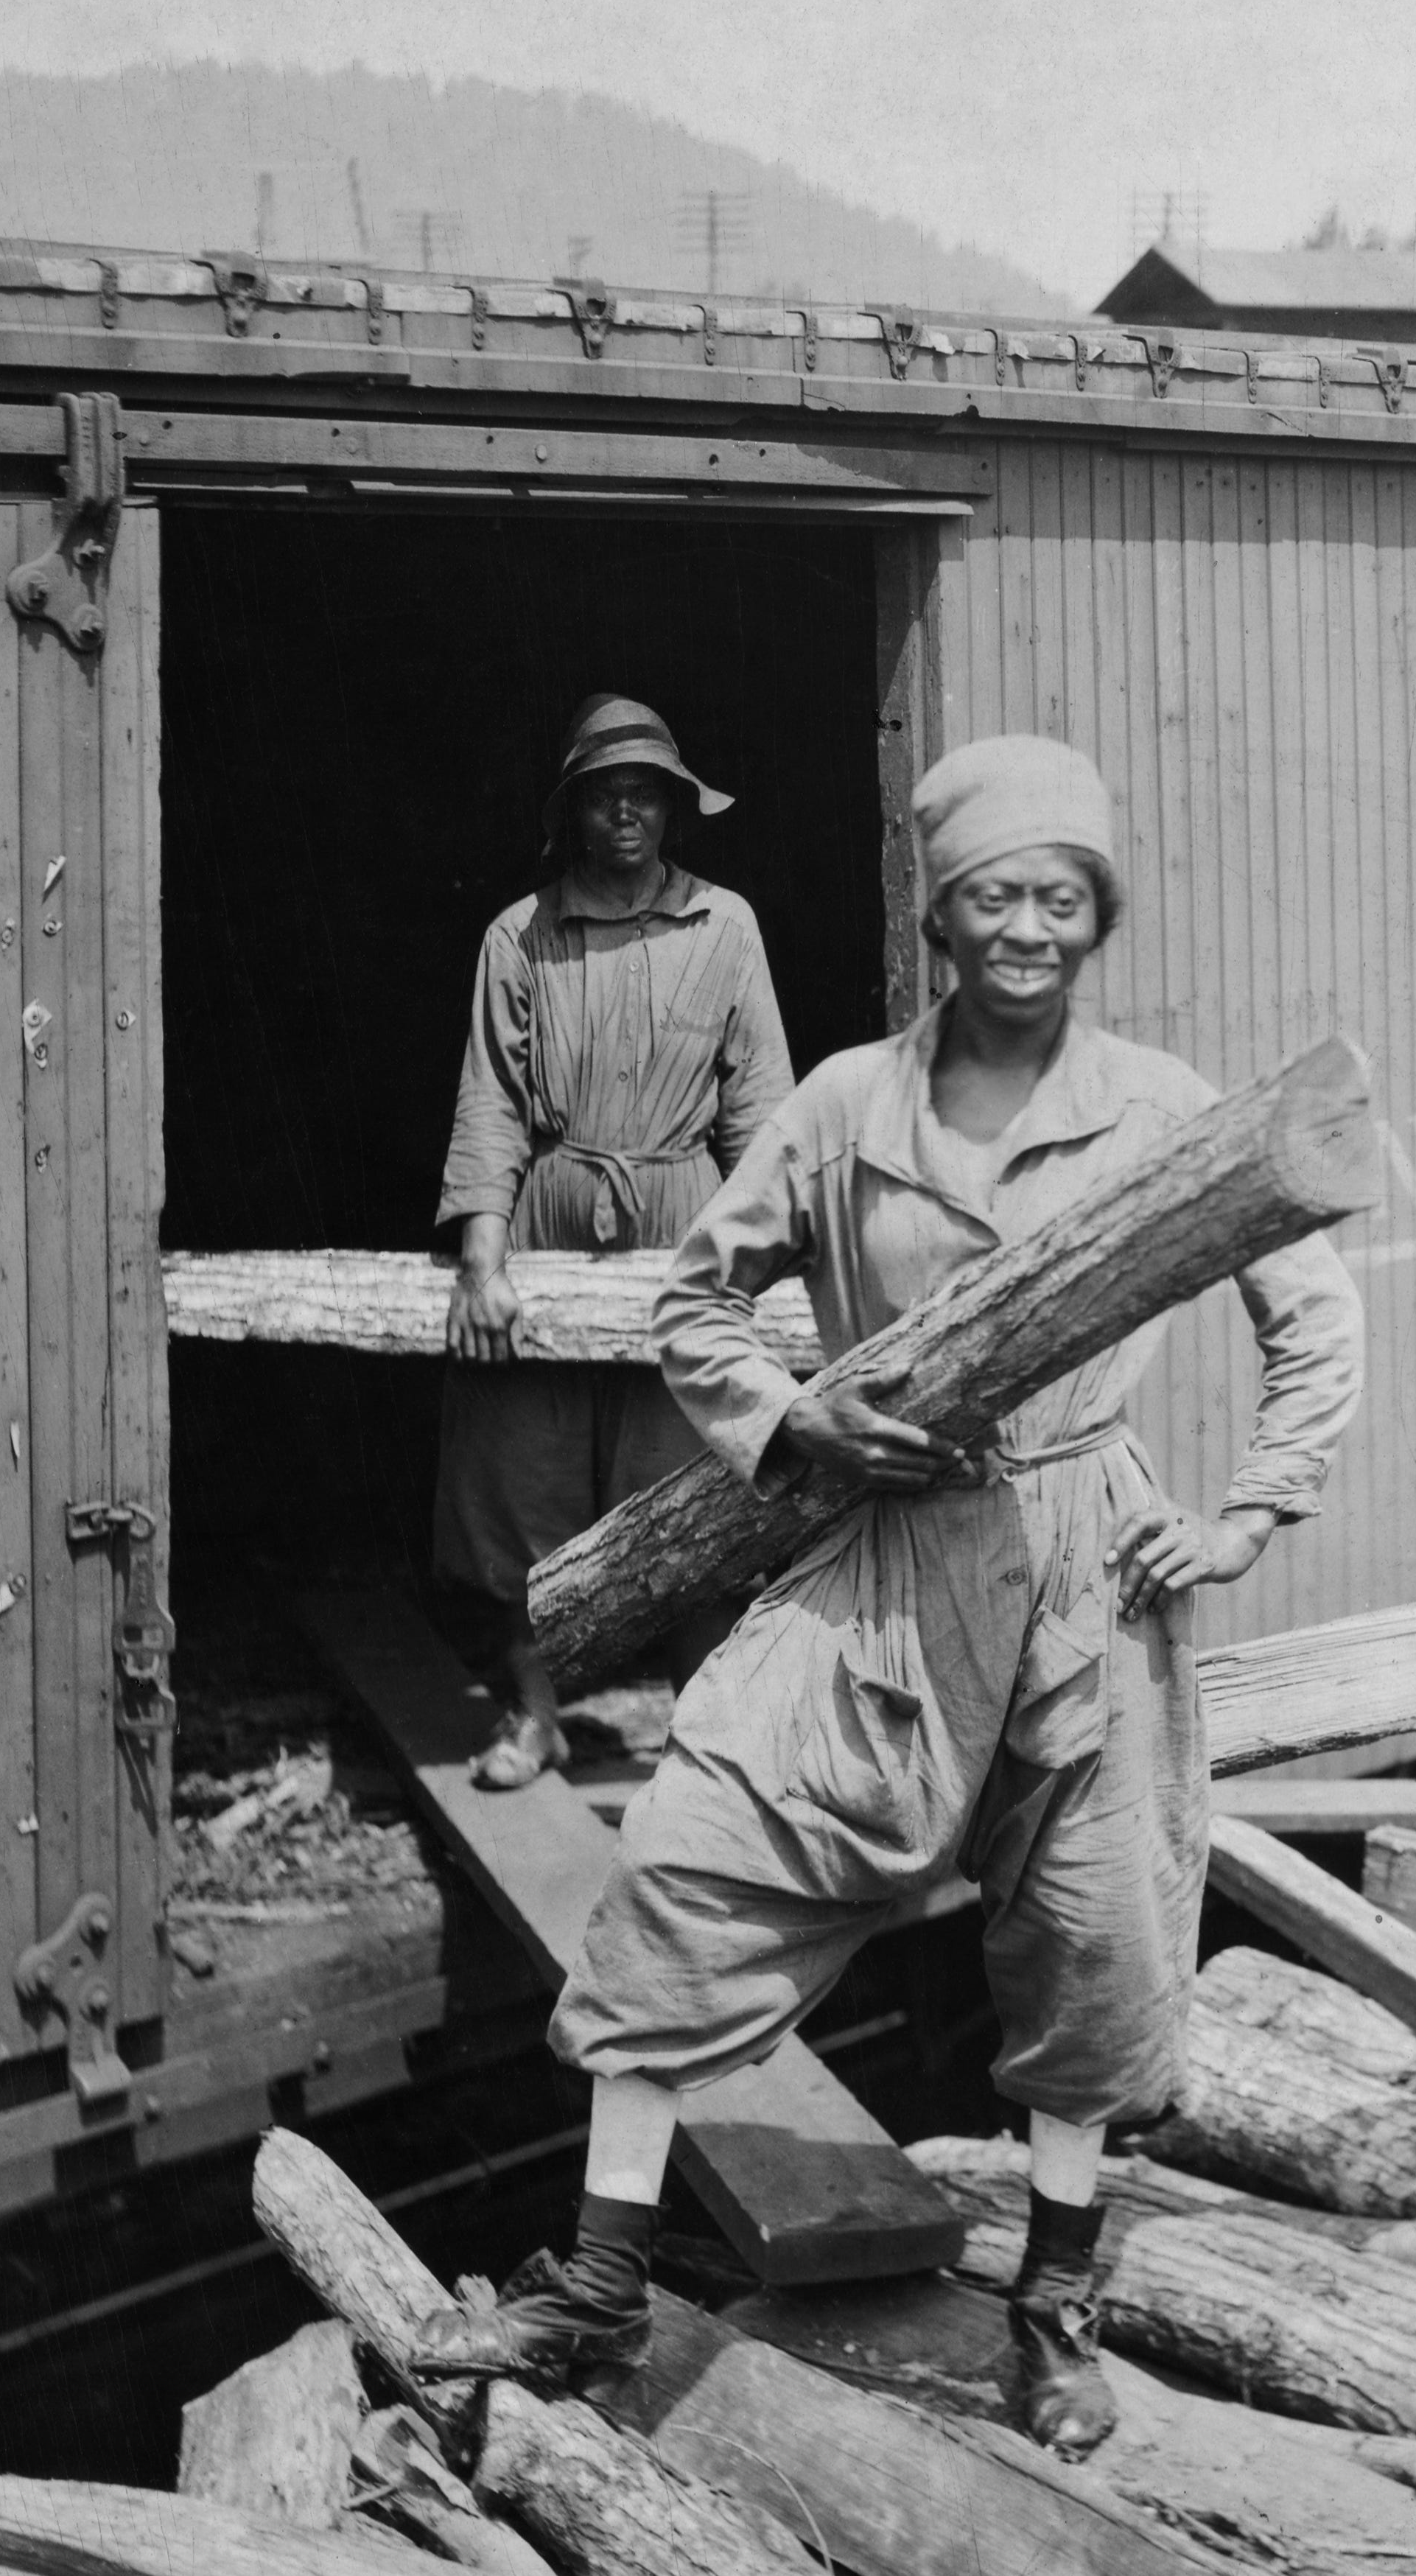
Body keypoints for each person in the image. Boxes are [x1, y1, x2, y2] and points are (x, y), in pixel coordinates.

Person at [415, 734, 1361, 2463]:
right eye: (994, 895)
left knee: (1093, 1943)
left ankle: (1054, 2309)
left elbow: (1316, 1319)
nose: (1027, 929)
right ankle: (598, 2287)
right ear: (942, 919)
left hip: (1090, 1559)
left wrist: (1241, 1520)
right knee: (694, 1863)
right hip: (885, 1556)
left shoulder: (1161, 1108)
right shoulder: (849, 1100)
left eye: (1061, 897)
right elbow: (700, 1299)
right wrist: (790, 1419)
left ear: (1100, 917)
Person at [435, 695, 794, 1789]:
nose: (626, 809)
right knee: (518, 1476)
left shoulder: (725, 927)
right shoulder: (521, 935)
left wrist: (765, 1270)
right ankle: (533, 1714)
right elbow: (491, 1103)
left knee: (689, 1473)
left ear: (676, 809)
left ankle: (707, 1729)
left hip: (687, 1227)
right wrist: (484, 1261)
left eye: (646, 791)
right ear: (575, 811)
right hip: (549, 1220)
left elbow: (763, 1111)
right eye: (605, 791)